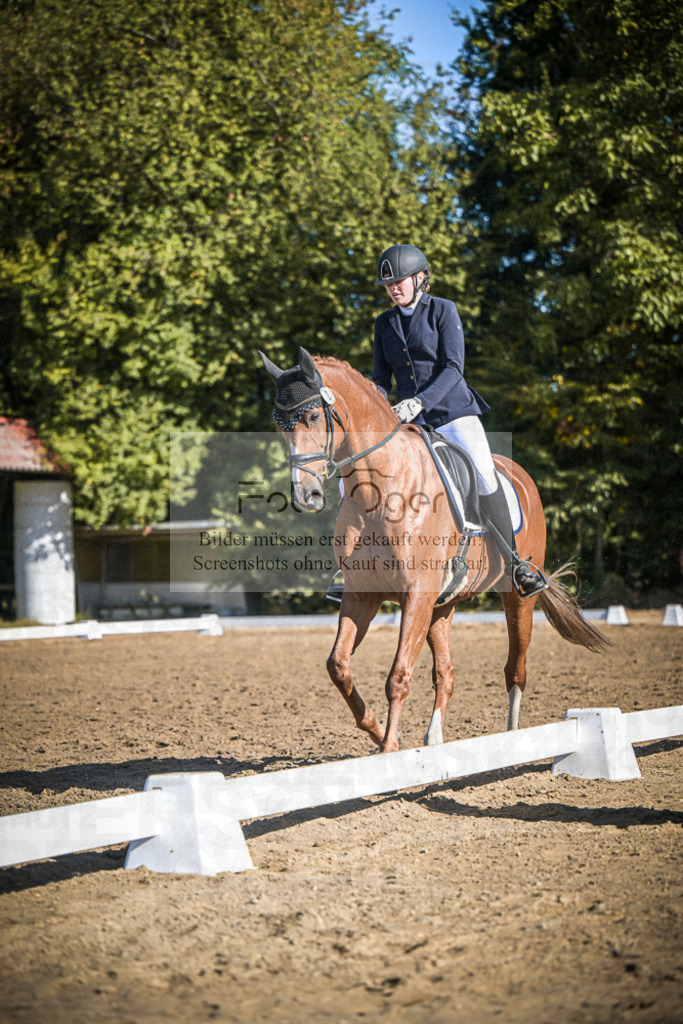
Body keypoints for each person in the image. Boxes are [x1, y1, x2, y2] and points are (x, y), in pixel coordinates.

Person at [372, 243, 547, 598]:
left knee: (483, 472)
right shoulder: (384, 323)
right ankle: (357, 564)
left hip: (452, 413)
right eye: (388, 284)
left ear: (420, 278)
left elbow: (454, 368)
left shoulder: (442, 310)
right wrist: (376, 405)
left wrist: (419, 401)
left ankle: (516, 564)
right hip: (409, 423)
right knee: (368, 470)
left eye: (399, 281)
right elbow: (379, 377)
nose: (393, 288)